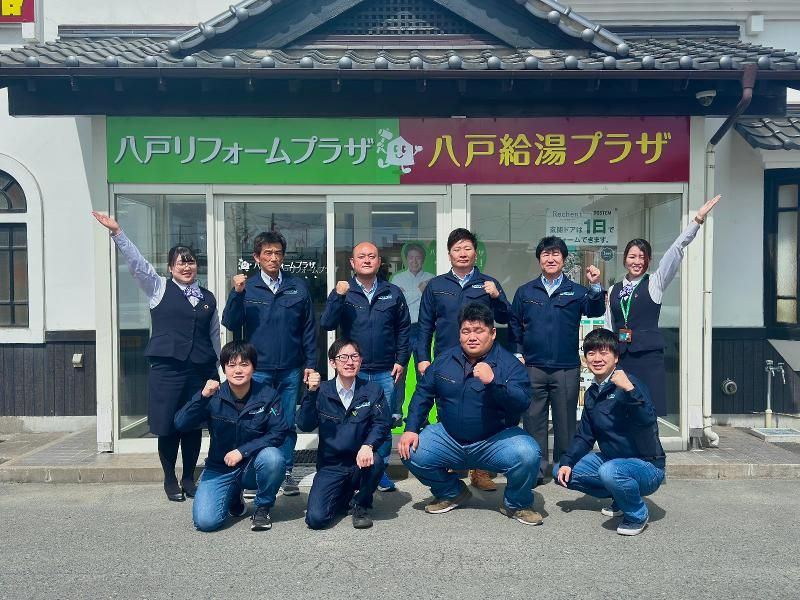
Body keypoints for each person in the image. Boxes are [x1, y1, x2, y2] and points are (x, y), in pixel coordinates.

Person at [92, 211, 220, 502]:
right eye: (180, 262)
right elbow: (137, 264)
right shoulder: (158, 288)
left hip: (199, 370)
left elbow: (214, 335)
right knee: (168, 426)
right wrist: (117, 233)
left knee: (192, 425)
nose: (186, 266)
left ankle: (189, 477)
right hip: (167, 370)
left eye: (190, 261)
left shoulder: (208, 297)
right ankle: (169, 478)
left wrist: (216, 370)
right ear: (171, 267)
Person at [399, 302, 542, 525]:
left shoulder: (510, 364)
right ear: (459, 334)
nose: (472, 337)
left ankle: (517, 503)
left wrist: (493, 382)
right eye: (466, 331)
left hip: (494, 442)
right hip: (450, 438)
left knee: (528, 453)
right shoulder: (444, 360)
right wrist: (411, 428)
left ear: (492, 333)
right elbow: (423, 394)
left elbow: (521, 403)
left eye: (478, 331)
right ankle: (451, 492)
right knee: (409, 449)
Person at [604, 195, 722, 417]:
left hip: (648, 358)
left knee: (648, 408)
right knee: (621, 408)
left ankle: (649, 441)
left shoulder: (655, 283)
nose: (636, 261)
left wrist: (697, 220)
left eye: (642, 257)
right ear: (625, 259)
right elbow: (609, 327)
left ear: (648, 260)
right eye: (632, 256)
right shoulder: (613, 290)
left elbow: (675, 250)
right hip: (622, 358)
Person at [221, 230, 317, 497]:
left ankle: (286, 472)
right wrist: (236, 293)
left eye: (278, 253)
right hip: (258, 370)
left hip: (290, 369)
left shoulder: (297, 286)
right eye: (268, 253)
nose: (273, 258)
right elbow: (230, 322)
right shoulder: (248, 287)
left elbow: (309, 328)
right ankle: (255, 474)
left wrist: (311, 362)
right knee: (255, 422)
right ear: (257, 257)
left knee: (286, 422)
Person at [416, 228, 512, 492]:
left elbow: (506, 318)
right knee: (446, 409)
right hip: (446, 360)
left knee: (482, 410)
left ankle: (480, 471)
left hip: (482, 360)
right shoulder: (436, 286)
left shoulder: (488, 283)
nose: (462, 253)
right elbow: (424, 326)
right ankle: (449, 465)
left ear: (475, 253)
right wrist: (423, 358)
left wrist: (497, 297)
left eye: (467, 248)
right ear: (449, 254)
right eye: (457, 249)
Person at [509, 236, 605, 485]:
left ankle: (564, 467)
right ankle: (536, 468)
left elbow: (596, 310)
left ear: (563, 259)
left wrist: (595, 286)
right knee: (533, 421)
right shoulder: (525, 292)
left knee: (566, 422)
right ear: (539, 259)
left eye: (555, 254)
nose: (551, 259)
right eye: (546, 254)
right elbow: (514, 324)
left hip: (566, 368)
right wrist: (518, 353)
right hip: (533, 367)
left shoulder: (576, 290)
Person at [555, 328, 666, 536]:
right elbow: (584, 436)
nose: (597, 359)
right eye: (591, 353)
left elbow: (648, 420)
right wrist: (567, 461)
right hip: (614, 461)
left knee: (610, 471)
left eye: (604, 353)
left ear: (616, 357)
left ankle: (637, 514)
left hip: (647, 466)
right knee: (561, 471)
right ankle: (620, 497)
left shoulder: (630, 384)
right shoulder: (592, 393)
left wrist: (630, 390)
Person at [320, 241, 410, 493]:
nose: (367, 260)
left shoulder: (393, 292)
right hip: (353, 370)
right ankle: (351, 468)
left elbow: (403, 329)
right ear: (353, 263)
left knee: (383, 421)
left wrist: (401, 360)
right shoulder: (344, 291)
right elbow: (327, 323)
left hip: (385, 369)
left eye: (372, 256)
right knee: (352, 420)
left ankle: (378, 471)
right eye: (361, 256)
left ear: (379, 262)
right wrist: (338, 296)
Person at [175, 341, 288, 532]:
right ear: (224, 368)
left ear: (254, 367)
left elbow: (278, 432)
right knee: (206, 522)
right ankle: (233, 495)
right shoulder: (213, 395)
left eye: (244, 364)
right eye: (231, 365)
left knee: (273, 458)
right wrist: (202, 397)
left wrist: (242, 451)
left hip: (252, 465)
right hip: (220, 467)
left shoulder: (268, 395)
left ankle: (262, 508)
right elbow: (181, 424)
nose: (238, 370)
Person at [297, 338, 391, 529]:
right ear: (333, 363)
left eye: (354, 356)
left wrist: (368, 445)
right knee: (316, 519)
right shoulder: (322, 391)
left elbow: (382, 423)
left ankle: (360, 504)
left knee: (376, 460)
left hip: (360, 462)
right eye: (343, 357)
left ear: (361, 361)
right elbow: (305, 425)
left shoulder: (372, 390)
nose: (349, 362)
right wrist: (311, 393)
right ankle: (344, 496)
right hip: (331, 466)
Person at [390, 242, 435, 426]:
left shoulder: (431, 278)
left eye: (418, 258)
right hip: (402, 330)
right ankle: (396, 413)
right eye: (411, 258)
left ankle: (421, 415)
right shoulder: (397, 279)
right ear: (406, 260)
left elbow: (431, 304)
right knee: (398, 372)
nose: (414, 261)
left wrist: (406, 295)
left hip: (423, 330)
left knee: (422, 374)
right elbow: (396, 304)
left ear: (423, 259)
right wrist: (419, 291)